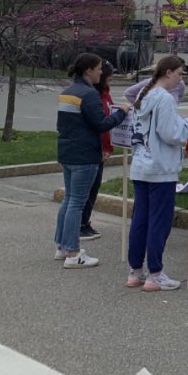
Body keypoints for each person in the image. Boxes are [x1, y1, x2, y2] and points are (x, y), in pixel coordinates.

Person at [126, 55, 188, 292]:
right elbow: (171, 133)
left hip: (141, 164)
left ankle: (136, 270)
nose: (181, 78)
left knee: (141, 219)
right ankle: (155, 273)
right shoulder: (164, 98)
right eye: (179, 73)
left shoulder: (143, 94)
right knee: (158, 221)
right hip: (160, 167)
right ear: (168, 72)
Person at [54, 53, 128, 269]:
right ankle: (74, 253)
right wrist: (122, 113)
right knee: (77, 202)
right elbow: (101, 124)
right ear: (88, 71)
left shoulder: (67, 93)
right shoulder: (89, 95)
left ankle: (62, 246)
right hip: (85, 155)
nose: (100, 73)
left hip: (67, 152)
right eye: (98, 69)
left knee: (69, 200)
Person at [79, 60, 115, 241]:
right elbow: (101, 123)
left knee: (94, 187)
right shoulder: (94, 96)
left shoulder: (105, 95)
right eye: (103, 73)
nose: (108, 78)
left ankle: (85, 222)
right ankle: (81, 224)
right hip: (93, 148)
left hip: (101, 147)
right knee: (86, 189)